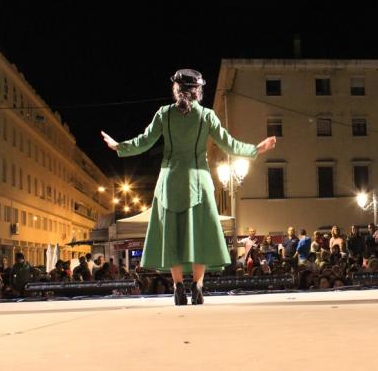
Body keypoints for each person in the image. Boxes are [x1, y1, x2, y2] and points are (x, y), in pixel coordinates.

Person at [102, 68, 276, 305]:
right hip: (199, 183)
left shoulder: (164, 114)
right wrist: (256, 149)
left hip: (170, 181)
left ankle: (178, 287)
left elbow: (143, 142)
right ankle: (198, 286)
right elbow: (230, 145)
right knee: (199, 237)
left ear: (176, 90)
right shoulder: (206, 116)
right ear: (198, 91)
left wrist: (118, 146)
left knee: (173, 236)